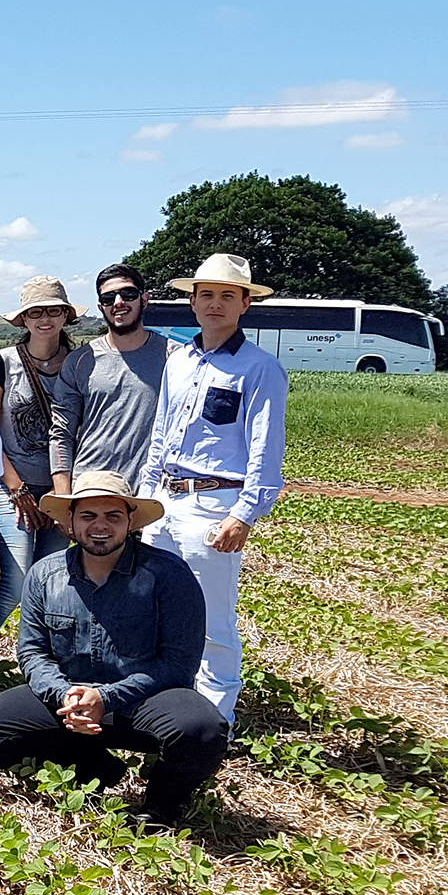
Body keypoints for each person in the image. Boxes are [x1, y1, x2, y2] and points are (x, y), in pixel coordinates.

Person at [0, 473, 228, 826]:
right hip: (68, 697)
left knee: (203, 729)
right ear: (70, 522)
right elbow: (33, 653)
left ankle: (160, 808)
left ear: (130, 521)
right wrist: (65, 695)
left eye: (113, 516)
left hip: (143, 699)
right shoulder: (44, 575)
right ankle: (92, 765)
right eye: (88, 516)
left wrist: (107, 699)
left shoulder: (169, 575)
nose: (100, 526)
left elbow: (179, 664)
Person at [136, 254, 288, 722]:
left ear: (245, 304)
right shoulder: (179, 360)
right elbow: (161, 432)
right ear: (193, 302)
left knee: (212, 620)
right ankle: (168, 708)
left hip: (214, 502)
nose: (215, 304)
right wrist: (146, 496)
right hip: (165, 496)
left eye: (227, 295)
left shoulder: (260, 369)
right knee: (156, 604)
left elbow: (266, 445)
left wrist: (244, 513)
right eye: (206, 295)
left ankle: (214, 722)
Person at [0, 277, 77, 634]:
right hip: (10, 486)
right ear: (23, 319)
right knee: (16, 584)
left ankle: (38, 658)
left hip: (62, 490)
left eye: (53, 310)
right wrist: (17, 488)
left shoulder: (82, 363)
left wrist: (61, 496)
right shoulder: (1, 363)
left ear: (66, 315)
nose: (45, 318)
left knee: (51, 583)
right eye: (35, 311)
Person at [51, 263, 174, 497]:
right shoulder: (79, 362)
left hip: (153, 493)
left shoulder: (175, 357)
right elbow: (61, 433)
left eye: (128, 294)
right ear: (101, 307)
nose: (118, 302)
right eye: (109, 298)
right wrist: (64, 494)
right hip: (90, 490)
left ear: (144, 300)